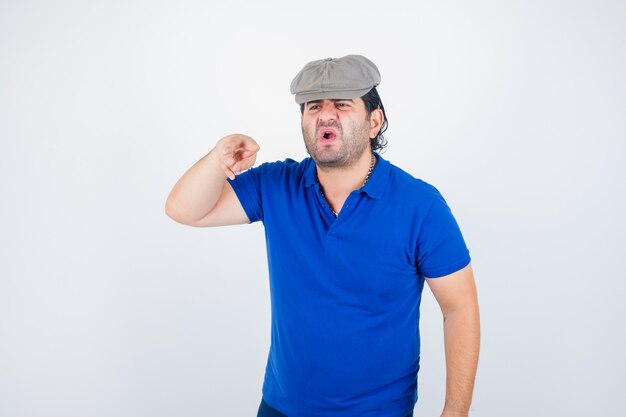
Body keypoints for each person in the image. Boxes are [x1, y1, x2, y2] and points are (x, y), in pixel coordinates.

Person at [165, 55, 480, 417]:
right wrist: (219, 157)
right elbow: (184, 210)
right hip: (281, 408)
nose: (325, 115)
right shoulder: (276, 185)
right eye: (314, 106)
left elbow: (460, 308)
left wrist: (455, 413)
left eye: (343, 105)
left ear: (374, 121)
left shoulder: (420, 206)